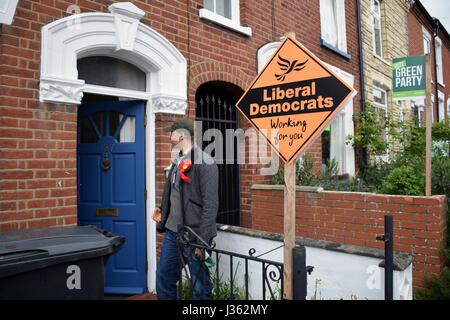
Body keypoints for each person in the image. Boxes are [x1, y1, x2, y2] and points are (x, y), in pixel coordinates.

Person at [152, 118, 219, 300]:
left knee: (200, 286)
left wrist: (202, 241)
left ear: (182, 135)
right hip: (174, 233)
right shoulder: (177, 160)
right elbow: (173, 192)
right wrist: (162, 210)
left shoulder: (205, 162)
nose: (169, 137)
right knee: (164, 278)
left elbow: (210, 205)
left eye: (172, 133)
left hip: (194, 235)